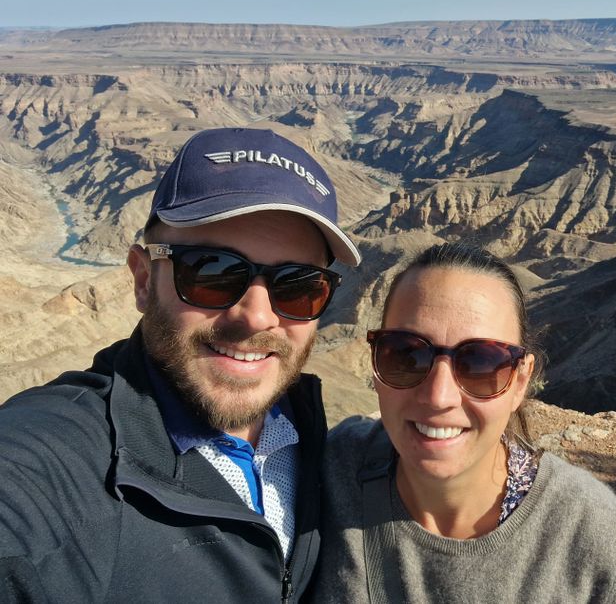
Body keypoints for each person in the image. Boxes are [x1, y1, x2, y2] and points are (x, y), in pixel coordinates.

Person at [0, 128, 360, 602]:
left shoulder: (310, 433)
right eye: (211, 272)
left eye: (297, 285)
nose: (257, 316)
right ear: (144, 279)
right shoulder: (50, 466)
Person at [312, 243, 616, 603]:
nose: (438, 396)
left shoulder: (595, 539)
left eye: (479, 364)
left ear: (520, 382)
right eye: (406, 355)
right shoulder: (332, 471)